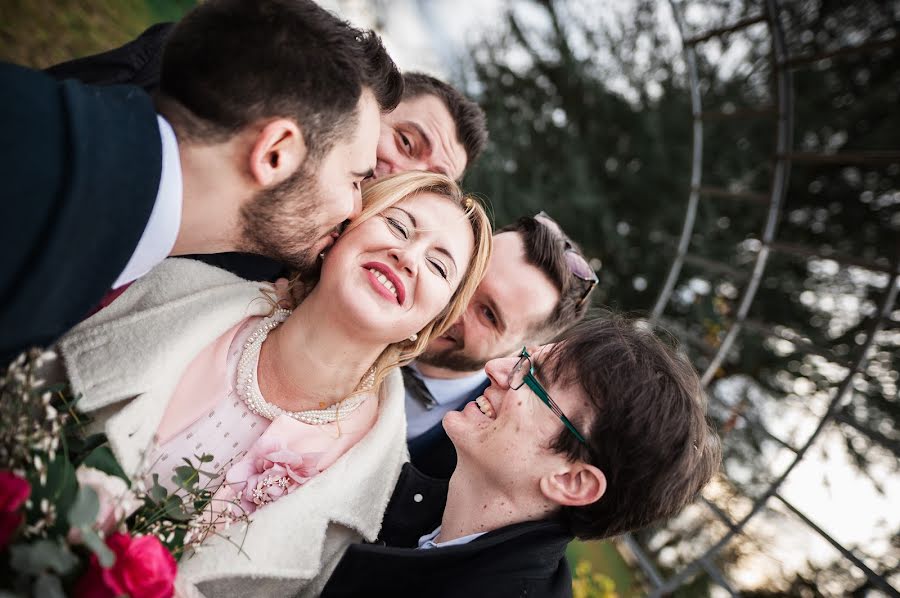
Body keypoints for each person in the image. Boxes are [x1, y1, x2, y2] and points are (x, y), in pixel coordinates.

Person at [53, 171, 493, 597]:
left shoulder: (383, 497)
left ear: (432, 324)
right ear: (340, 232)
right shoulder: (172, 288)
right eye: (397, 225)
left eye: (438, 265)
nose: (408, 256)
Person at [0, 0, 402, 363]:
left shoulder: (109, 202)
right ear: (274, 153)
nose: (356, 208)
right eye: (354, 179)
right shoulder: (23, 171)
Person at [321, 315, 722, 597]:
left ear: (571, 480)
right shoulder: (407, 506)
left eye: (531, 378)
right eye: (523, 358)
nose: (495, 368)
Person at [404, 212, 598, 478]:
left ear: (524, 350)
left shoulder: (488, 450)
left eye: (488, 314)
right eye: (467, 275)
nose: (452, 305)